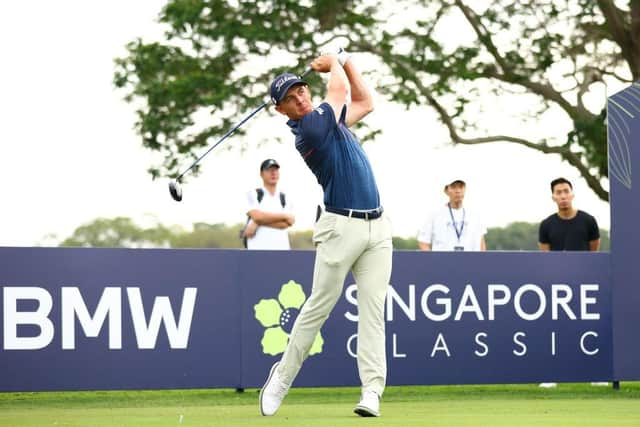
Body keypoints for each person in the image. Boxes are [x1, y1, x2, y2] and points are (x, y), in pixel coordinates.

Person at [259, 48, 393, 417]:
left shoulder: (332, 121)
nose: (299, 97)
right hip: (339, 228)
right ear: (281, 110)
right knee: (318, 308)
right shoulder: (309, 129)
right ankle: (282, 378)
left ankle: (372, 392)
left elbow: (365, 100)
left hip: (377, 228)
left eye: (301, 90)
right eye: (289, 97)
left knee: (373, 312)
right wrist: (332, 61)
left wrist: (346, 59)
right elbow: (338, 94)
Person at [538, 177, 602, 388]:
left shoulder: (588, 221)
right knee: (556, 330)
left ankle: (596, 373)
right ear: (553, 197)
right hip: (557, 286)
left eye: (566, 191)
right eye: (559, 192)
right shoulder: (547, 225)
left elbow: (593, 251)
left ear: (572, 194)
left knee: (589, 328)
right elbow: (545, 258)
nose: (563, 196)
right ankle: (552, 374)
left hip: (585, 285)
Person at [417, 178, 486, 251]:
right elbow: (423, 242)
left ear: (465, 189)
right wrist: (434, 261)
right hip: (442, 261)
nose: (458, 191)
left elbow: (481, 244)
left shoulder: (474, 215)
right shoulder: (435, 214)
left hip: (470, 261)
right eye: (453, 187)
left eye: (461, 187)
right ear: (446, 191)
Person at [242, 159, 294, 250]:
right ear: (261, 174)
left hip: (282, 251)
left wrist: (257, 223)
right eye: (268, 170)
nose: (273, 173)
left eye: (275, 170)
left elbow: (288, 223)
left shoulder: (285, 198)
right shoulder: (253, 194)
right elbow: (257, 216)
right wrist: (284, 216)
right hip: (256, 251)